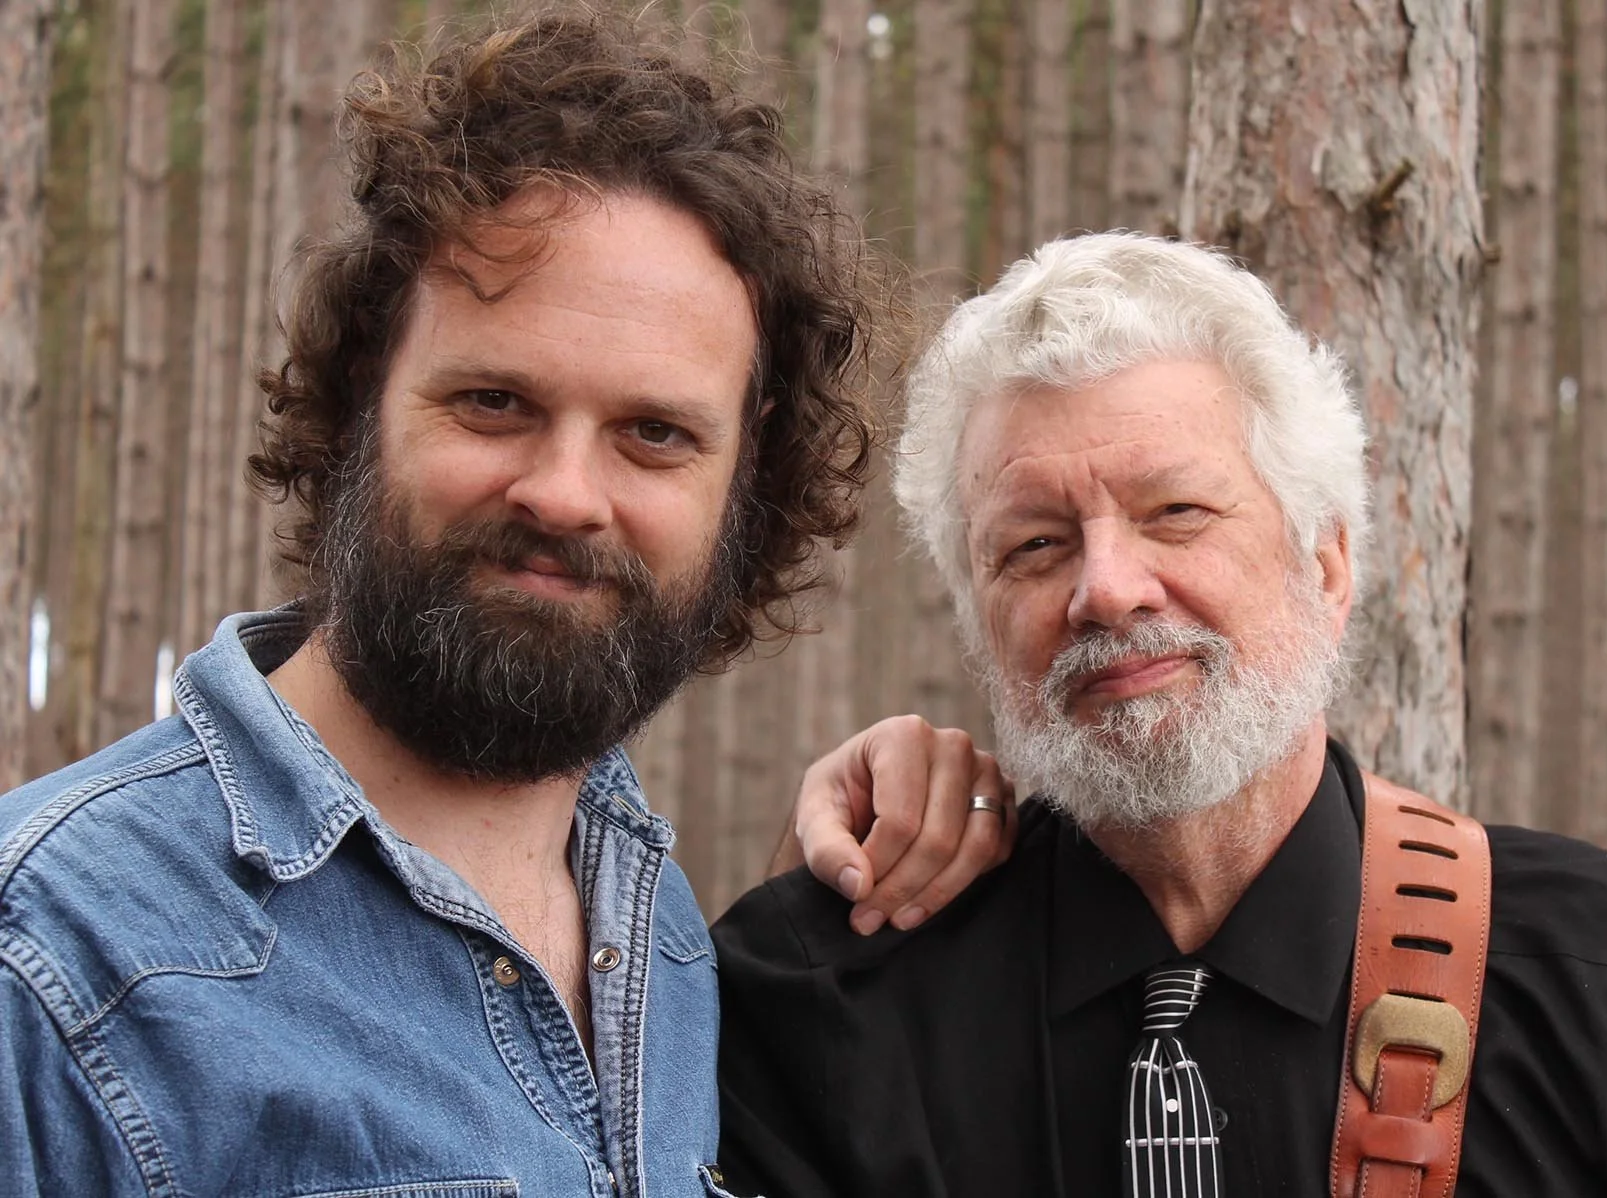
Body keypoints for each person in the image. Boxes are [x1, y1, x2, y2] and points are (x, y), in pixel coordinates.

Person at [0, 8, 988, 1193]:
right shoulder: (51, 956)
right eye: (494, 403)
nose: (565, 493)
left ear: (744, 482)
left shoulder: (666, 942)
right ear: (363, 396)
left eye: (655, 432)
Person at [712, 232, 1607, 1196]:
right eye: (1034, 544)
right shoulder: (827, 1009)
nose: (1107, 589)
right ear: (978, 622)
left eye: (1176, 511)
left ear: (1326, 565)